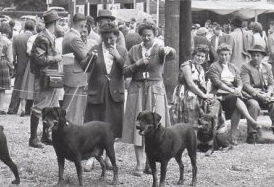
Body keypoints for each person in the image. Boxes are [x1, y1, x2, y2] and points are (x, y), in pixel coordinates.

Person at [122, 22, 176, 176]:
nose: (146, 38)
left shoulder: (160, 49)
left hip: (155, 89)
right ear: (140, 35)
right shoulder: (134, 50)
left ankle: (149, 163)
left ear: (155, 35)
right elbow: (125, 71)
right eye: (144, 35)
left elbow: (172, 55)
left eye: (149, 35)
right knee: (139, 125)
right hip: (138, 89)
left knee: (155, 127)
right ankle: (139, 164)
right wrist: (137, 64)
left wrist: (169, 49)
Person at [83, 22, 127, 171]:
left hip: (114, 94)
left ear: (117, 36)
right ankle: (90, 159)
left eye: (112, 38)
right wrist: (92, 59)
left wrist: (118, 58)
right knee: (92, 126)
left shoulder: (122, 50)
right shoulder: (95, 49)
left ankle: (109, 157)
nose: (109, 41)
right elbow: (84, 67)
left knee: (112, 127)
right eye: (106, 38)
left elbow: (127, 71)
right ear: (101, 37)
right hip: (97, 93)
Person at [208, 43, 259, 145]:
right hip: (219, 93)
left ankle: (233, 135)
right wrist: (232, 90)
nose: (224, 57)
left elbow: (239, 81)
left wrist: (239, 89)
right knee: (235, 97)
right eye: (222, 54)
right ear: (218, 55)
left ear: (230, 54)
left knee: (237, 103)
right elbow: (217, 82)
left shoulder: (233, 67)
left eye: (226, 54)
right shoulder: (214, 66)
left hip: (233, 93)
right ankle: (250, 119)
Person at [29, 10, 63, 148]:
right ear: (55, 22)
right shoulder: (43, 37)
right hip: (43, 76)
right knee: (39, 108)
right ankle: (33, 139)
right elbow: (38, 59)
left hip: (50, 75)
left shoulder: (49, 36)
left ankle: (45, 136)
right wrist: (56, 58)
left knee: (50, 107)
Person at [240, 45, 274, 143]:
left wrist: (268, 93)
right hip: (251, 95)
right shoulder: (245, 67)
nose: (255, 58)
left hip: (265, 95)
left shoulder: (267, 67)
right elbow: (246, 85)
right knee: (254, 105)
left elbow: (271, 84)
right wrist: (259, 95)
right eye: (253, 55)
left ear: (262, 57)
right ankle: (252, 133)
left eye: (258, 55)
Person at [61, 13, 95, 125]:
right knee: (74, 112)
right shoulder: (75, 38)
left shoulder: (68, 35)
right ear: (82, 24)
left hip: (70, 76)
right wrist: (93, 54)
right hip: (76, 79)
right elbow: (86, 58)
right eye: (84, 26)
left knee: (71, 109)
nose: (84, 29)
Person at [170, 45, 214, 125]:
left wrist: (206, 95)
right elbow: (190, 83)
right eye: (198, 55)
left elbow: (203, 84)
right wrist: (203, 95)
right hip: (185, 92)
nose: (200, 58)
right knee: (190, 108)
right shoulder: (187, 65)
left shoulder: (201, 68)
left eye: (202, 56)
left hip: (197, 92)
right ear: (193, 55)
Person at [7, 19, 35, 115]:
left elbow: (13, 54)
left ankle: (12, 109)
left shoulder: (17, 38)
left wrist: (14, 65)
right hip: (32, 66)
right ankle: (28, 109)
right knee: (30, 87)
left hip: (20, 65)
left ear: (24, 27)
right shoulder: (35, 38)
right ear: (33, 28)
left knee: (17, 88)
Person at [0, 23, 14, 115]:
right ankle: (1, 108)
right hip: (4, 62)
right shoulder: (8, 42)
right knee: (2, 88)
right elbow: (10, 57)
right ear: (8, 31)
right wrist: (11, 66)